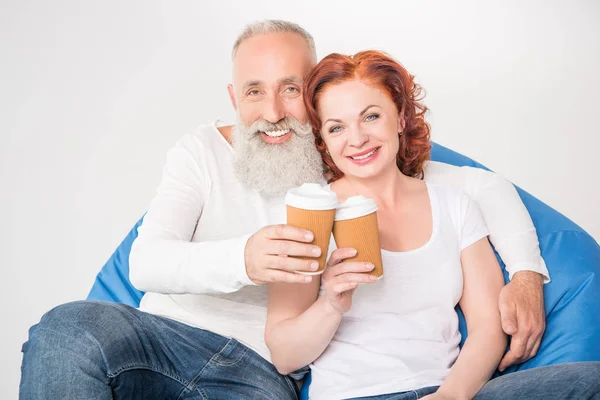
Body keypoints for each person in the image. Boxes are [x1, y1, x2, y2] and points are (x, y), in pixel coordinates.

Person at [20, 20, 562, 399]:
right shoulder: (200, 151)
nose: (273, 112)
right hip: (165, 340)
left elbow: (481, 187)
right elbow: (145, 263)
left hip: (260, 374)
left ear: (316, 97)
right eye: (255, 92)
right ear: (234, 99)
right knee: (66, 327)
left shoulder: (344, 158)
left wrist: (527, 273)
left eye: (291, 89)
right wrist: (246, 260)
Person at [265, 50, 600, 400]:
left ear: (400, 118)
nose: (357, 139)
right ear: (324, 141)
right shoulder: (311, 215)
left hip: (447, 392)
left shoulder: (454, 206)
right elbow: (285, 356)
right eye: (337, 127)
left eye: (371, 117)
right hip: (355, 394)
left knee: (592, 380)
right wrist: (331, 304)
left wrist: (449, 396)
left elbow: (487, 329)